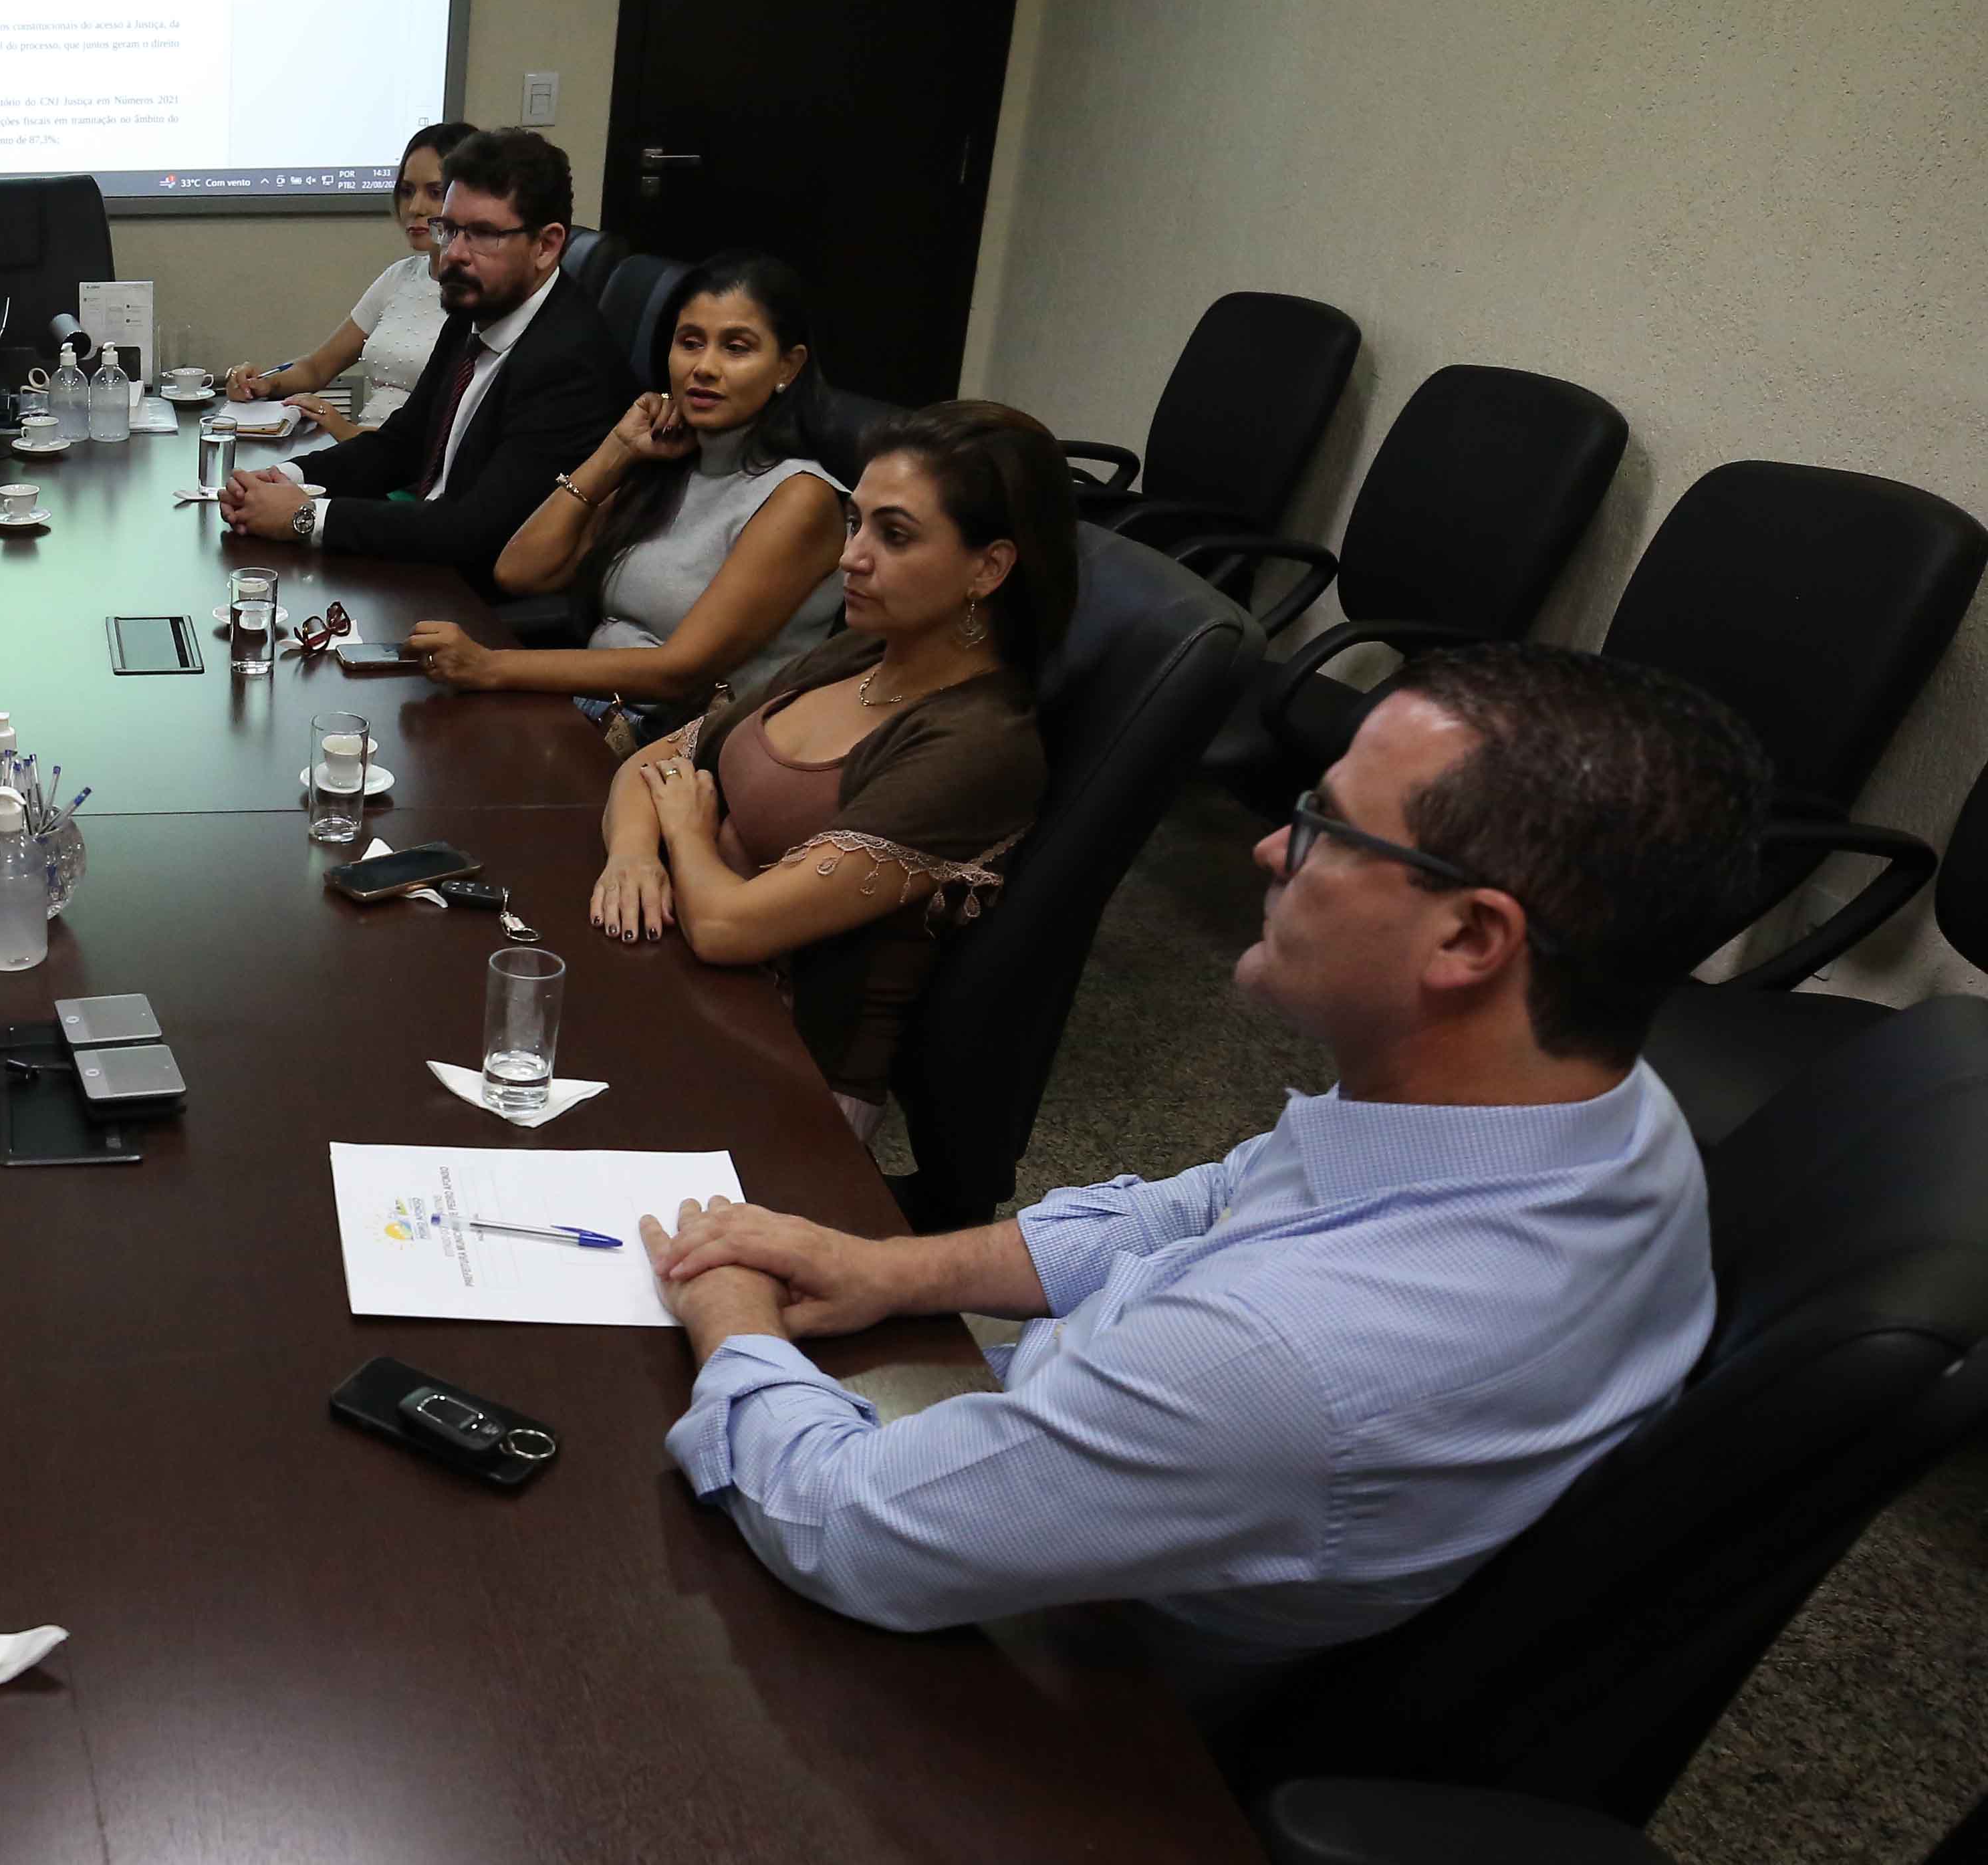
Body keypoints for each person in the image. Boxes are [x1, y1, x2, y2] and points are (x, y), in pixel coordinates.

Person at [639, 643, 1765, 1703]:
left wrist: (733, 1317)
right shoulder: (1594, 1103)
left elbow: (841, 1528)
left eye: (1327, 826)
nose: (1270, 849)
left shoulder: (1290, 1354)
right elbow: (1220, 1199)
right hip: (1120, 1478)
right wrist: (893, 1269)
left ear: (1471, 940)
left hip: (1056, 1685)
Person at [590, 402, 1076, 1134]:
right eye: (856, 523)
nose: (852, 557)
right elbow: (650, 765)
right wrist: (632, 855)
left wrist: (686, 831)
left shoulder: (979, 747)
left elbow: (725, 926)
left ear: (990, 567)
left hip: (790, 1083)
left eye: (895, 535)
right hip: (687, 988)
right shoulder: (863, 651)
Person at [407, 253, 846, 727]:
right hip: (594, 714)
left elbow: (680, 672)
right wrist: (617, 450)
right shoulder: (674, 461)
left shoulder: (800, 497)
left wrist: (490, 667)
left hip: (677, 745)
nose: (704, 367)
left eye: (736, 348)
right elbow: (521, 571)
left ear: (788, 367)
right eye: (690, 343)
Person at [215, 127, 622, 595]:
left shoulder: (569, 363)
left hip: (473, 601)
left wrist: (306, 516)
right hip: (423, 562)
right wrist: (289, 477)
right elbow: (401, 444)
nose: (454, 255)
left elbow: (475, 530)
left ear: (546, 246)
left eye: (482, 234)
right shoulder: (474, 313)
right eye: (450, 230)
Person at [225, 118, 477, 439]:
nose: (415, 207)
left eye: (435, 192)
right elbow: (317, 367)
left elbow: (444, 435)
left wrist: (342, 428)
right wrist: (263, 383)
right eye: (407, 191)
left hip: (399, 459)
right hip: (362, 451)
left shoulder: (480, 296)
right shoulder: (400, 276)